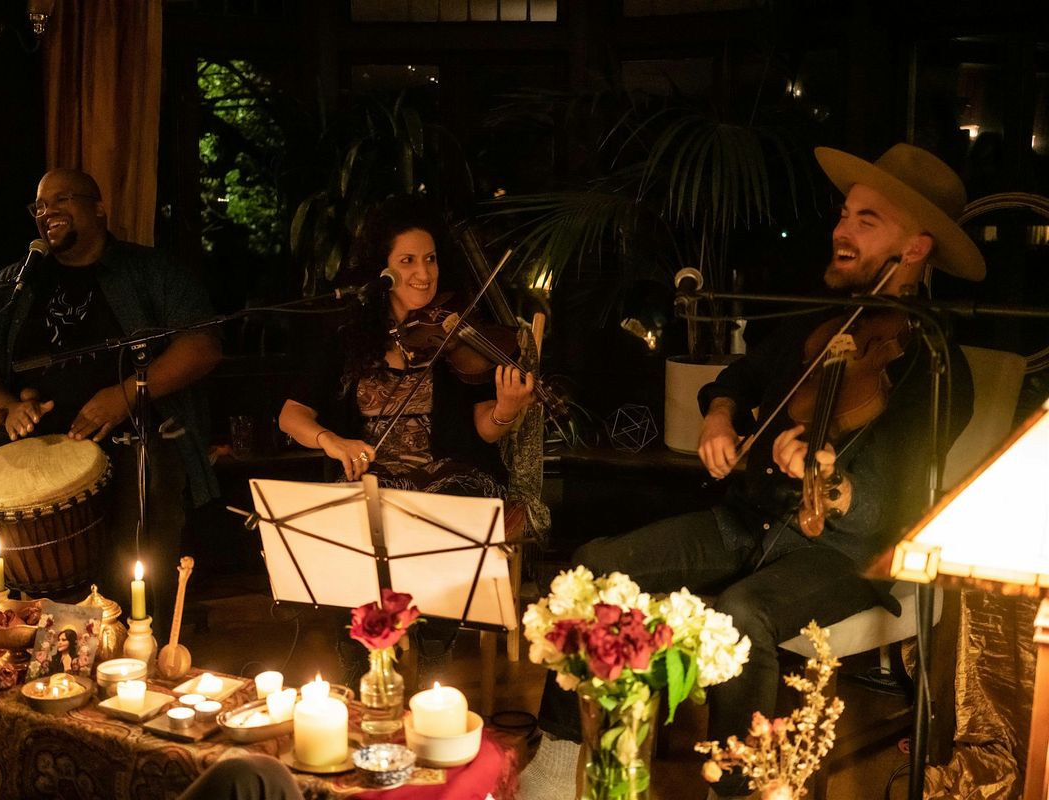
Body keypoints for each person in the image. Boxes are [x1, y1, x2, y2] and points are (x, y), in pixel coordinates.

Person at [539, 144, 983, 799]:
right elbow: (740, 376)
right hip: (746, 519)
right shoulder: (822, 323)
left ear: (914, 248)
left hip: (843, 553)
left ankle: (742, 788)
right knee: (596, 568)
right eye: (844, 212)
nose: (841, 229)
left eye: (867, 219)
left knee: (745, 613)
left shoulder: (933, 368)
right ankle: (559, 760)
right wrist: (720, 414)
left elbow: (888, 508)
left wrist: (827, 483)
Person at [0, 169, 221, 615]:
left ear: (98, 208)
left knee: (149, 485)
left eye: (62, 200)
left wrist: (125, 396)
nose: (47, 212)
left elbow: (203, 345)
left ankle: (136, 634)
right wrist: (2, 406)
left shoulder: (151, 271)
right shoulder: (15, 283)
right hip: (27, 435)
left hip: (132, 428)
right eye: (39, 206)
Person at [277, 194, 536, 680]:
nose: (424, 272)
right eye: (408, 261)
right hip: (377, 481)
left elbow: (483, 428)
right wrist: (333, 442)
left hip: (451, 478)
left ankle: (435, 638)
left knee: (439, 513)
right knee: (350, 525)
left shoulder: (455, 337)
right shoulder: (349, 338)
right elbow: (291, 415)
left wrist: (505, 411)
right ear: (383, 272)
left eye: (431, 259)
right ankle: (363, 667)